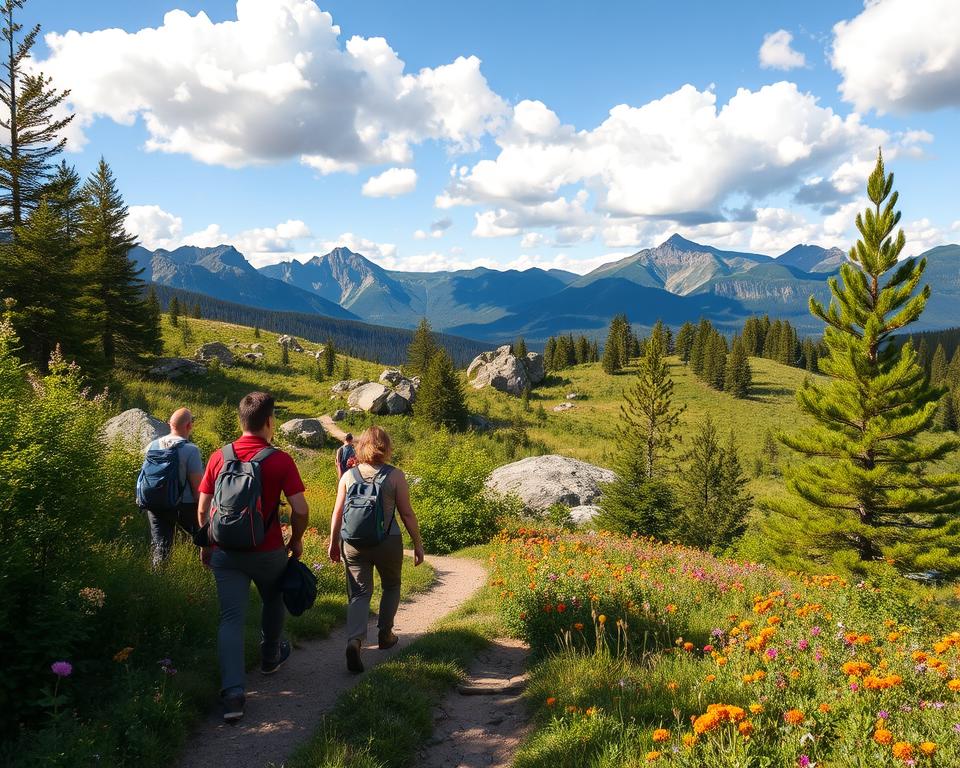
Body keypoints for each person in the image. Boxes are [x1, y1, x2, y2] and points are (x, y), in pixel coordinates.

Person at [197, 392, 310, 723]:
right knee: (273, 599)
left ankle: (233, 694)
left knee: (230, 619)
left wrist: (206, 545)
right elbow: (300, 509)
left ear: (240, 421)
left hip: (225, 552)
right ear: (270, 421)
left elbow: (203, 508)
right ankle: (270, 655)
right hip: (267, 551)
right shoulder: (280, 459)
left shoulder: (219, 456)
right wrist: (297, 539)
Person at [327, 425, 425, 674]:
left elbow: (337, 512)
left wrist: (333, 542)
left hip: (353, 542)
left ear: (361, 446)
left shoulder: (349, 476)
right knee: (391, 585)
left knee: (359, 593)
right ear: (386, 446)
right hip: (387, 541)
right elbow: (406, 513)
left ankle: (355, 641)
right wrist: (417, 543)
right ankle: (385, 634)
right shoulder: (395, 476)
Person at [144, 408, 203, 568]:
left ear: (169, 424)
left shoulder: (151, 446)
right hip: (183, 505)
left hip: (155, 502)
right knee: (203, 538)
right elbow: (198, 488)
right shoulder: (191, 450)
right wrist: (204, 513)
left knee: (160, 546)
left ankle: (157, 582)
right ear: (189, 426)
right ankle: (203, 573)